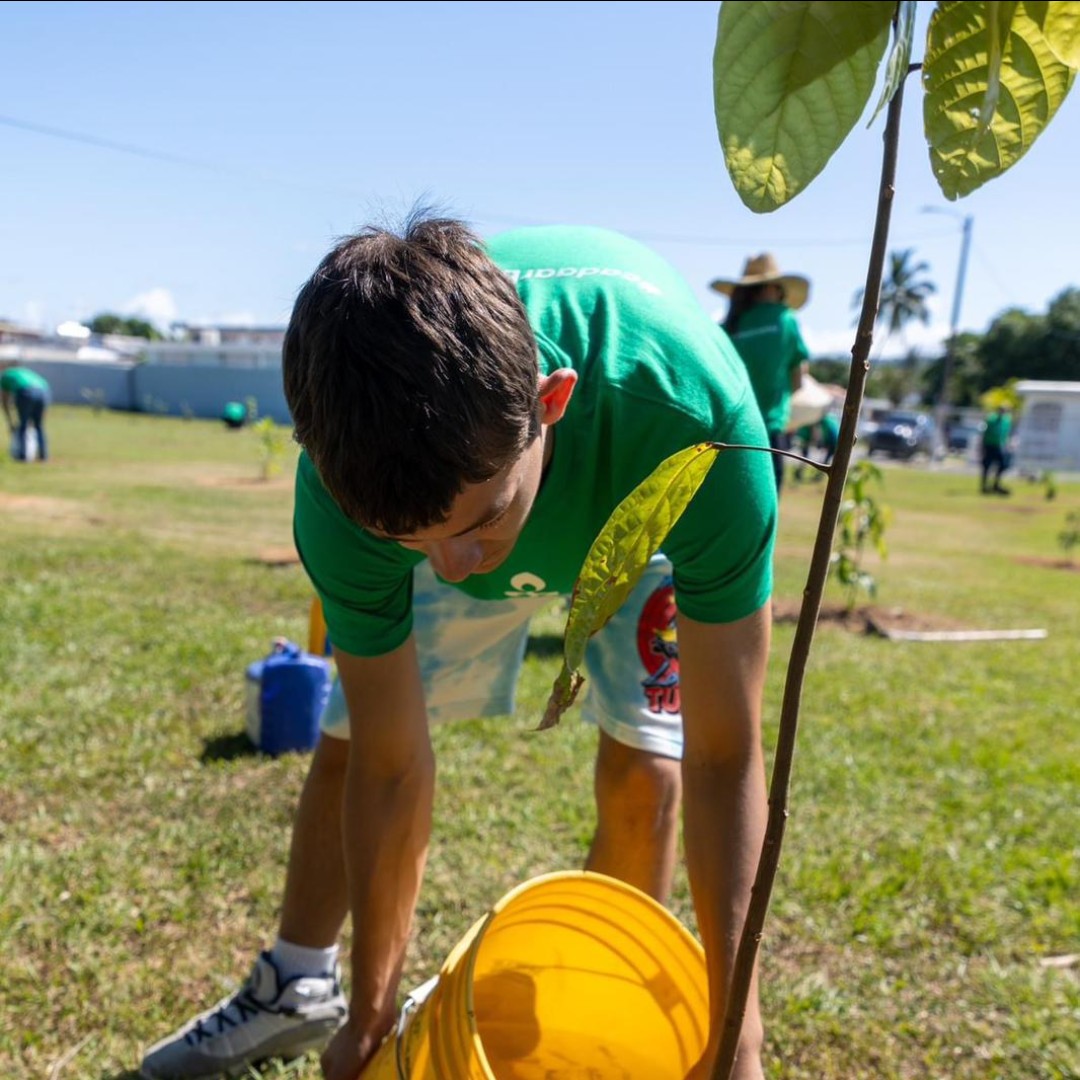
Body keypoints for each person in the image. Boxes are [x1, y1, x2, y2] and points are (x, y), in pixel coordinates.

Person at [140, 217, 778, 1080]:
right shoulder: (344, 488)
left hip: (638, 486)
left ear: (549, 403)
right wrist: (371, 1021)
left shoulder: (697, 426)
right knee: (352, 745)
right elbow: (394, 763)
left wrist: (738, 1037)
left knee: (648, 773)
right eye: (410, 541)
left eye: (476, 526)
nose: (452, 570)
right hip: (469, 480)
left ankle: (597, 1015)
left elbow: (724, 752)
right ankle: (301, 989)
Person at [711, 254, 811, 494]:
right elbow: (799, 378)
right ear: (769, 288)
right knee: (765, 507)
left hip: (728, 433)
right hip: (768, 432)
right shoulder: (785, 319)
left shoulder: (728, 326)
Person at [1, 363, 51, 461]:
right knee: (39, 425)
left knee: (23, 425)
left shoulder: (5, 376)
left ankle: (23, 455)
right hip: (44, 391)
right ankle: (43, 455)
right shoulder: (24, 371)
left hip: (25, 391)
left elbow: (4, 400)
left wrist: (10, 421)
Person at [980, 404, 1012, 495]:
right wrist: (982, 446)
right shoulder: (991, 419)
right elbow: (984, 432)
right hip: (989, 445)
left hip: (999, 446)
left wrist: (1007, 445)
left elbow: (1006, 434)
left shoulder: (1006, 421)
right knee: (986, 466)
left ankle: (996, 484)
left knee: (1003, 464)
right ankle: (984, 486)